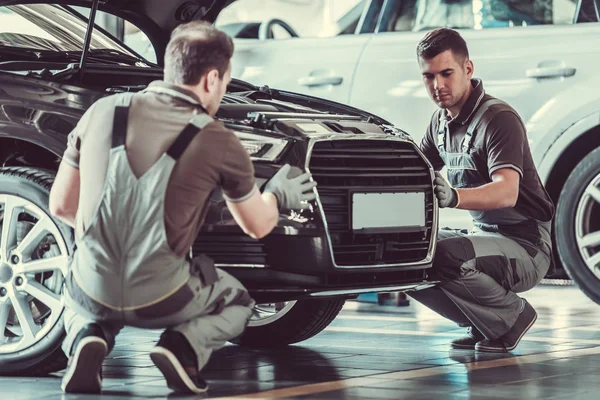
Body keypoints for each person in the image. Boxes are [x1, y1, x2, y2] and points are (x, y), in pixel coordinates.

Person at [48, 21, 316, 395]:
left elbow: (60, 204)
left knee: (82, 281)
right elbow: (257, 225)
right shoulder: (218, 139)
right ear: (211, 80)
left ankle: (86, 335)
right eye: (224, 82)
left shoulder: (101, 112)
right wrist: (276, 194)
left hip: (93, 288)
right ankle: (182, 347)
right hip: (164, 296)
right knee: (238, 301)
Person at [407, 28, 554, 353]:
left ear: (468, 69)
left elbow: (506, 193)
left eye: (447, 73)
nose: (438, 86)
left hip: (527, 247)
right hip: (486, 238)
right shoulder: (439, 124)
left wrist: (455, 197)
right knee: (404, 254)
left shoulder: (498, 118)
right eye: (428, 77)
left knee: (446, 256)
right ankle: (485, 322)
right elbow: (414, 174)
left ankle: (510, 318)